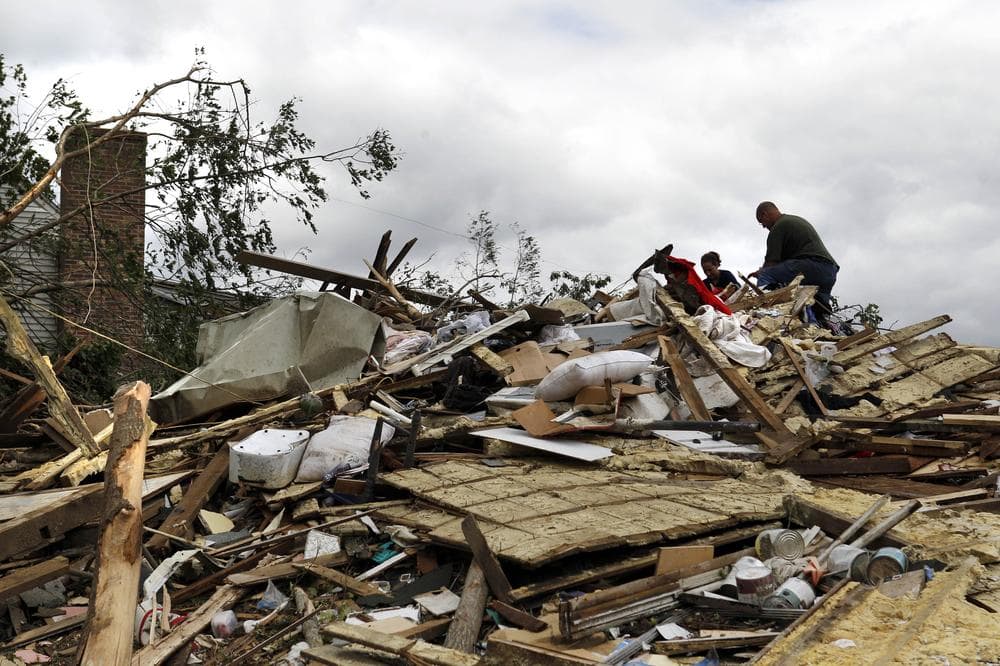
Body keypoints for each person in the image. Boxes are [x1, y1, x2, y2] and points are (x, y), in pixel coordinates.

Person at [748, 201, 839, 316]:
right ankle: (817, 325)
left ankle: (766, 312)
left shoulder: (778, 227)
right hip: (829, 271)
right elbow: (782, 264)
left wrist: (761, 272)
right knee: (817, 306)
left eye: (762, 223)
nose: (764, 227)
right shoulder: (793, 220)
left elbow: (771, 263)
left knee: (766, 275)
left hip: (811, 264)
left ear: (764, 214)